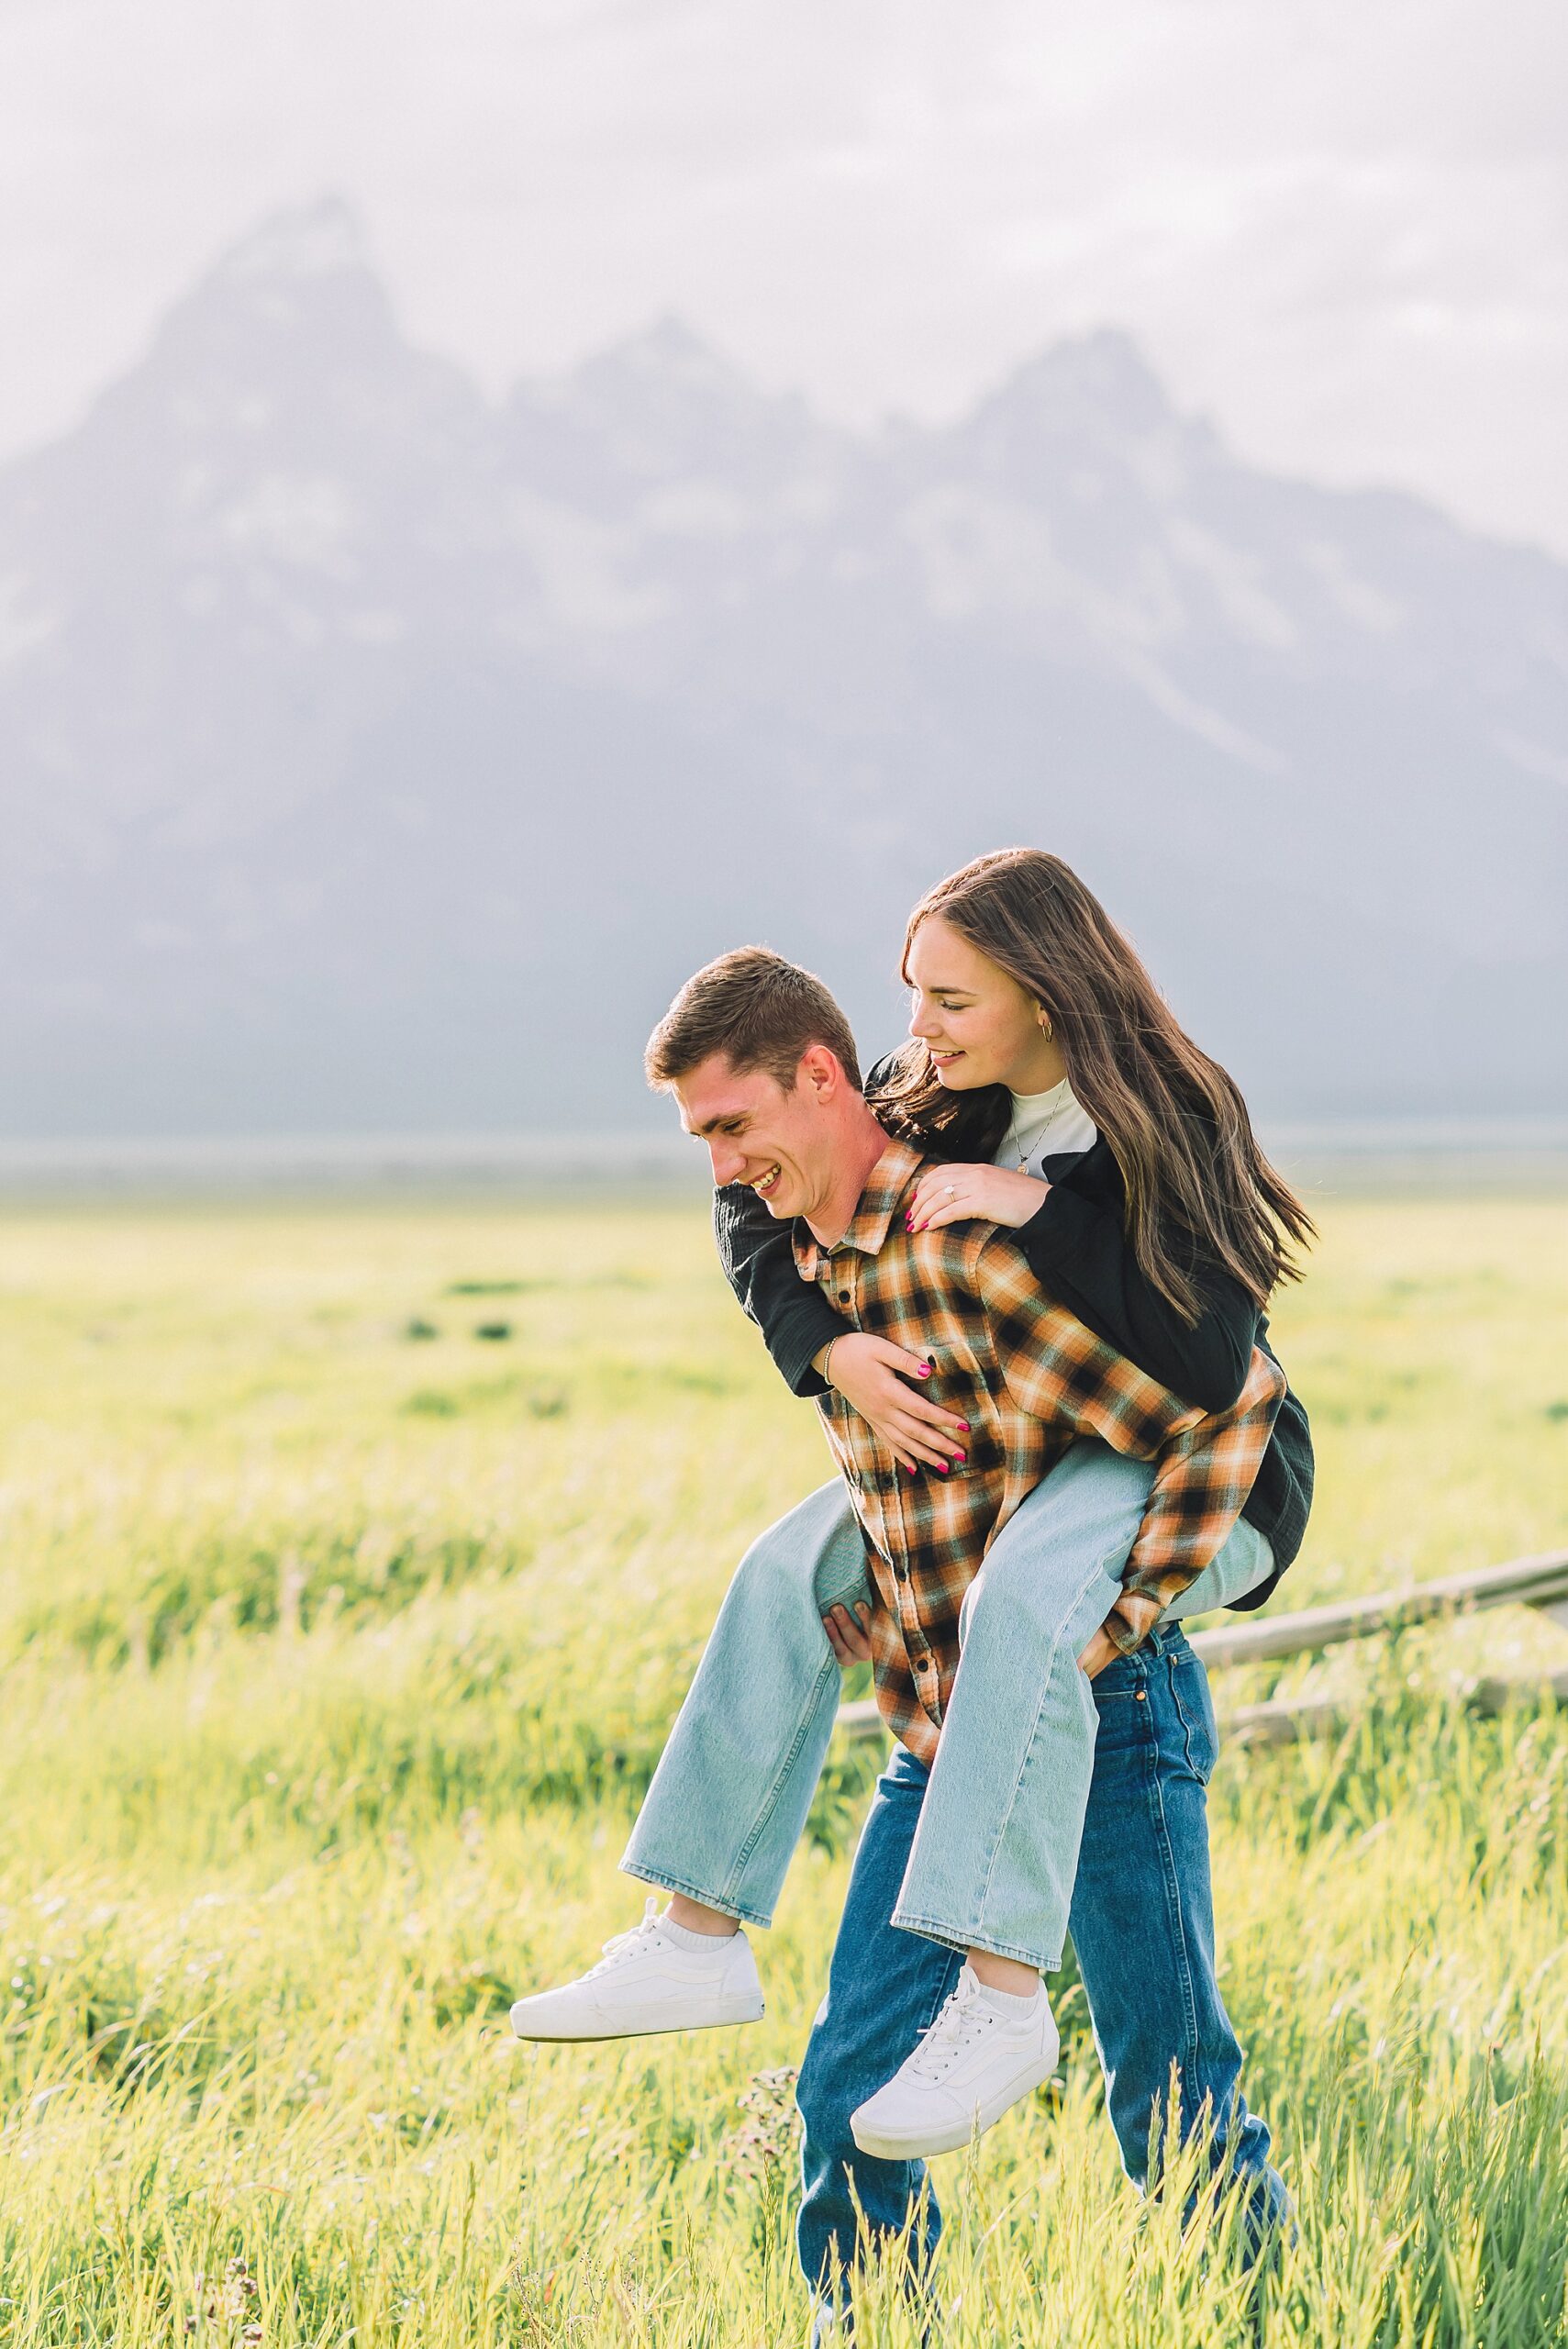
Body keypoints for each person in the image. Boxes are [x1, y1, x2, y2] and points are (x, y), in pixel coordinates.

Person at [514, 853, 1312, 2320]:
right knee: (846, 2085)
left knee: (1171, 2090)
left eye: (949, 999)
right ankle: (701, 1945)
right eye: (912, 1001)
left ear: (1042, 992)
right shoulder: (928, 1093)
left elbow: (1209, 1373)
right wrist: (827, 1350)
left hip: (1142, 1551)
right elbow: (762, 1204)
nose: (922, 1030)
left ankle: (1248, 2308)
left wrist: (1029, 1203)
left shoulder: (1161, 1114)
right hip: (976, 1578)